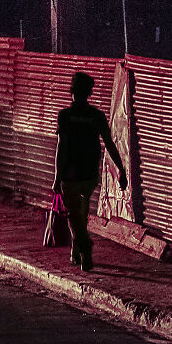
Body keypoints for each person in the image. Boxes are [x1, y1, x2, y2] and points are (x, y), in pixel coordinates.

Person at [53, 70, 127, 272]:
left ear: (71, 91)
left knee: (73, 215)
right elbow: (109, 143)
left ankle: (84, 248)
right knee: (82, 213)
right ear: (89, 93)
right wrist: (121, 169)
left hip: (70, 175)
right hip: (90, 174)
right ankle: (76, 250)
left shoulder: (65, 116)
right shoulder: (96, 116)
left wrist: (57, 177)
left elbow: (62, 147)